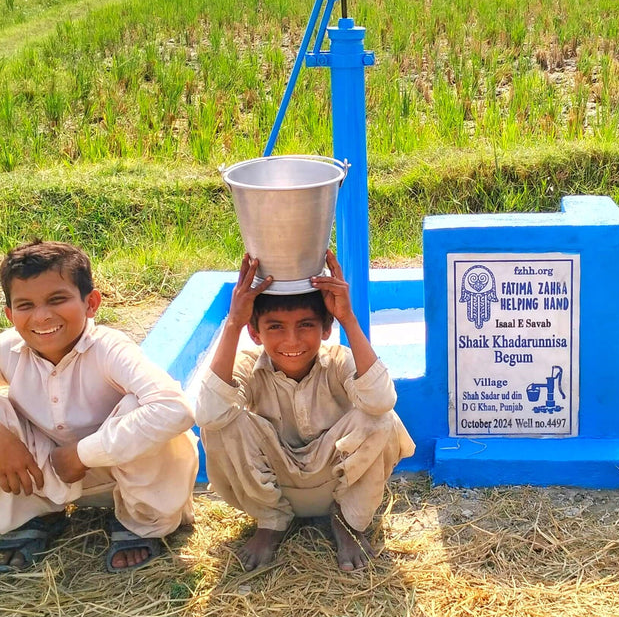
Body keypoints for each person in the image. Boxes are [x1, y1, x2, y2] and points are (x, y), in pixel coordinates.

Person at [195, 250, 414, 572]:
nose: (292, 340)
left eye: (306, 325)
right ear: (255, 333)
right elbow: (208, 416)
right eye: (275, 327)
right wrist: (233, 323)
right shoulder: (245, 365)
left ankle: (347, 523)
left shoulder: (339, 360)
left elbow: (381, 401)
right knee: (221, 423)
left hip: (335, 489)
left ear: (325, 328)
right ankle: (271, 523)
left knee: (381, 418)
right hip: (274, 488)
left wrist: (348, 319)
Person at [0, 240, 198, 573]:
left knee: (147, 410)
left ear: (91, 303)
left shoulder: (109, 348)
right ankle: (32, 516)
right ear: (9, 314)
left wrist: (83, 453)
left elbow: (177, 409)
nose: (42, 315)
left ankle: (140, 524)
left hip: (126, 479)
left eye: (57, 299)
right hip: (46, 477)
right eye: (25, 305)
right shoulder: (9, 348)